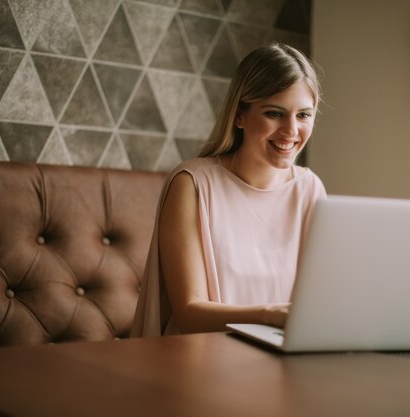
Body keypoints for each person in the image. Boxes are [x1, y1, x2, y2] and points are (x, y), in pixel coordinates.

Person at [131, 42, 327, 336]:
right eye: (274, 113)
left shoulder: (310, 188)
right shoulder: (191, 183)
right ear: (239, 115)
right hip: (200, 361)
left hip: (280, 360)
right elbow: (189, 312)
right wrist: (270, 314)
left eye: (303, 115)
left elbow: (322, 301)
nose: (291, 130)